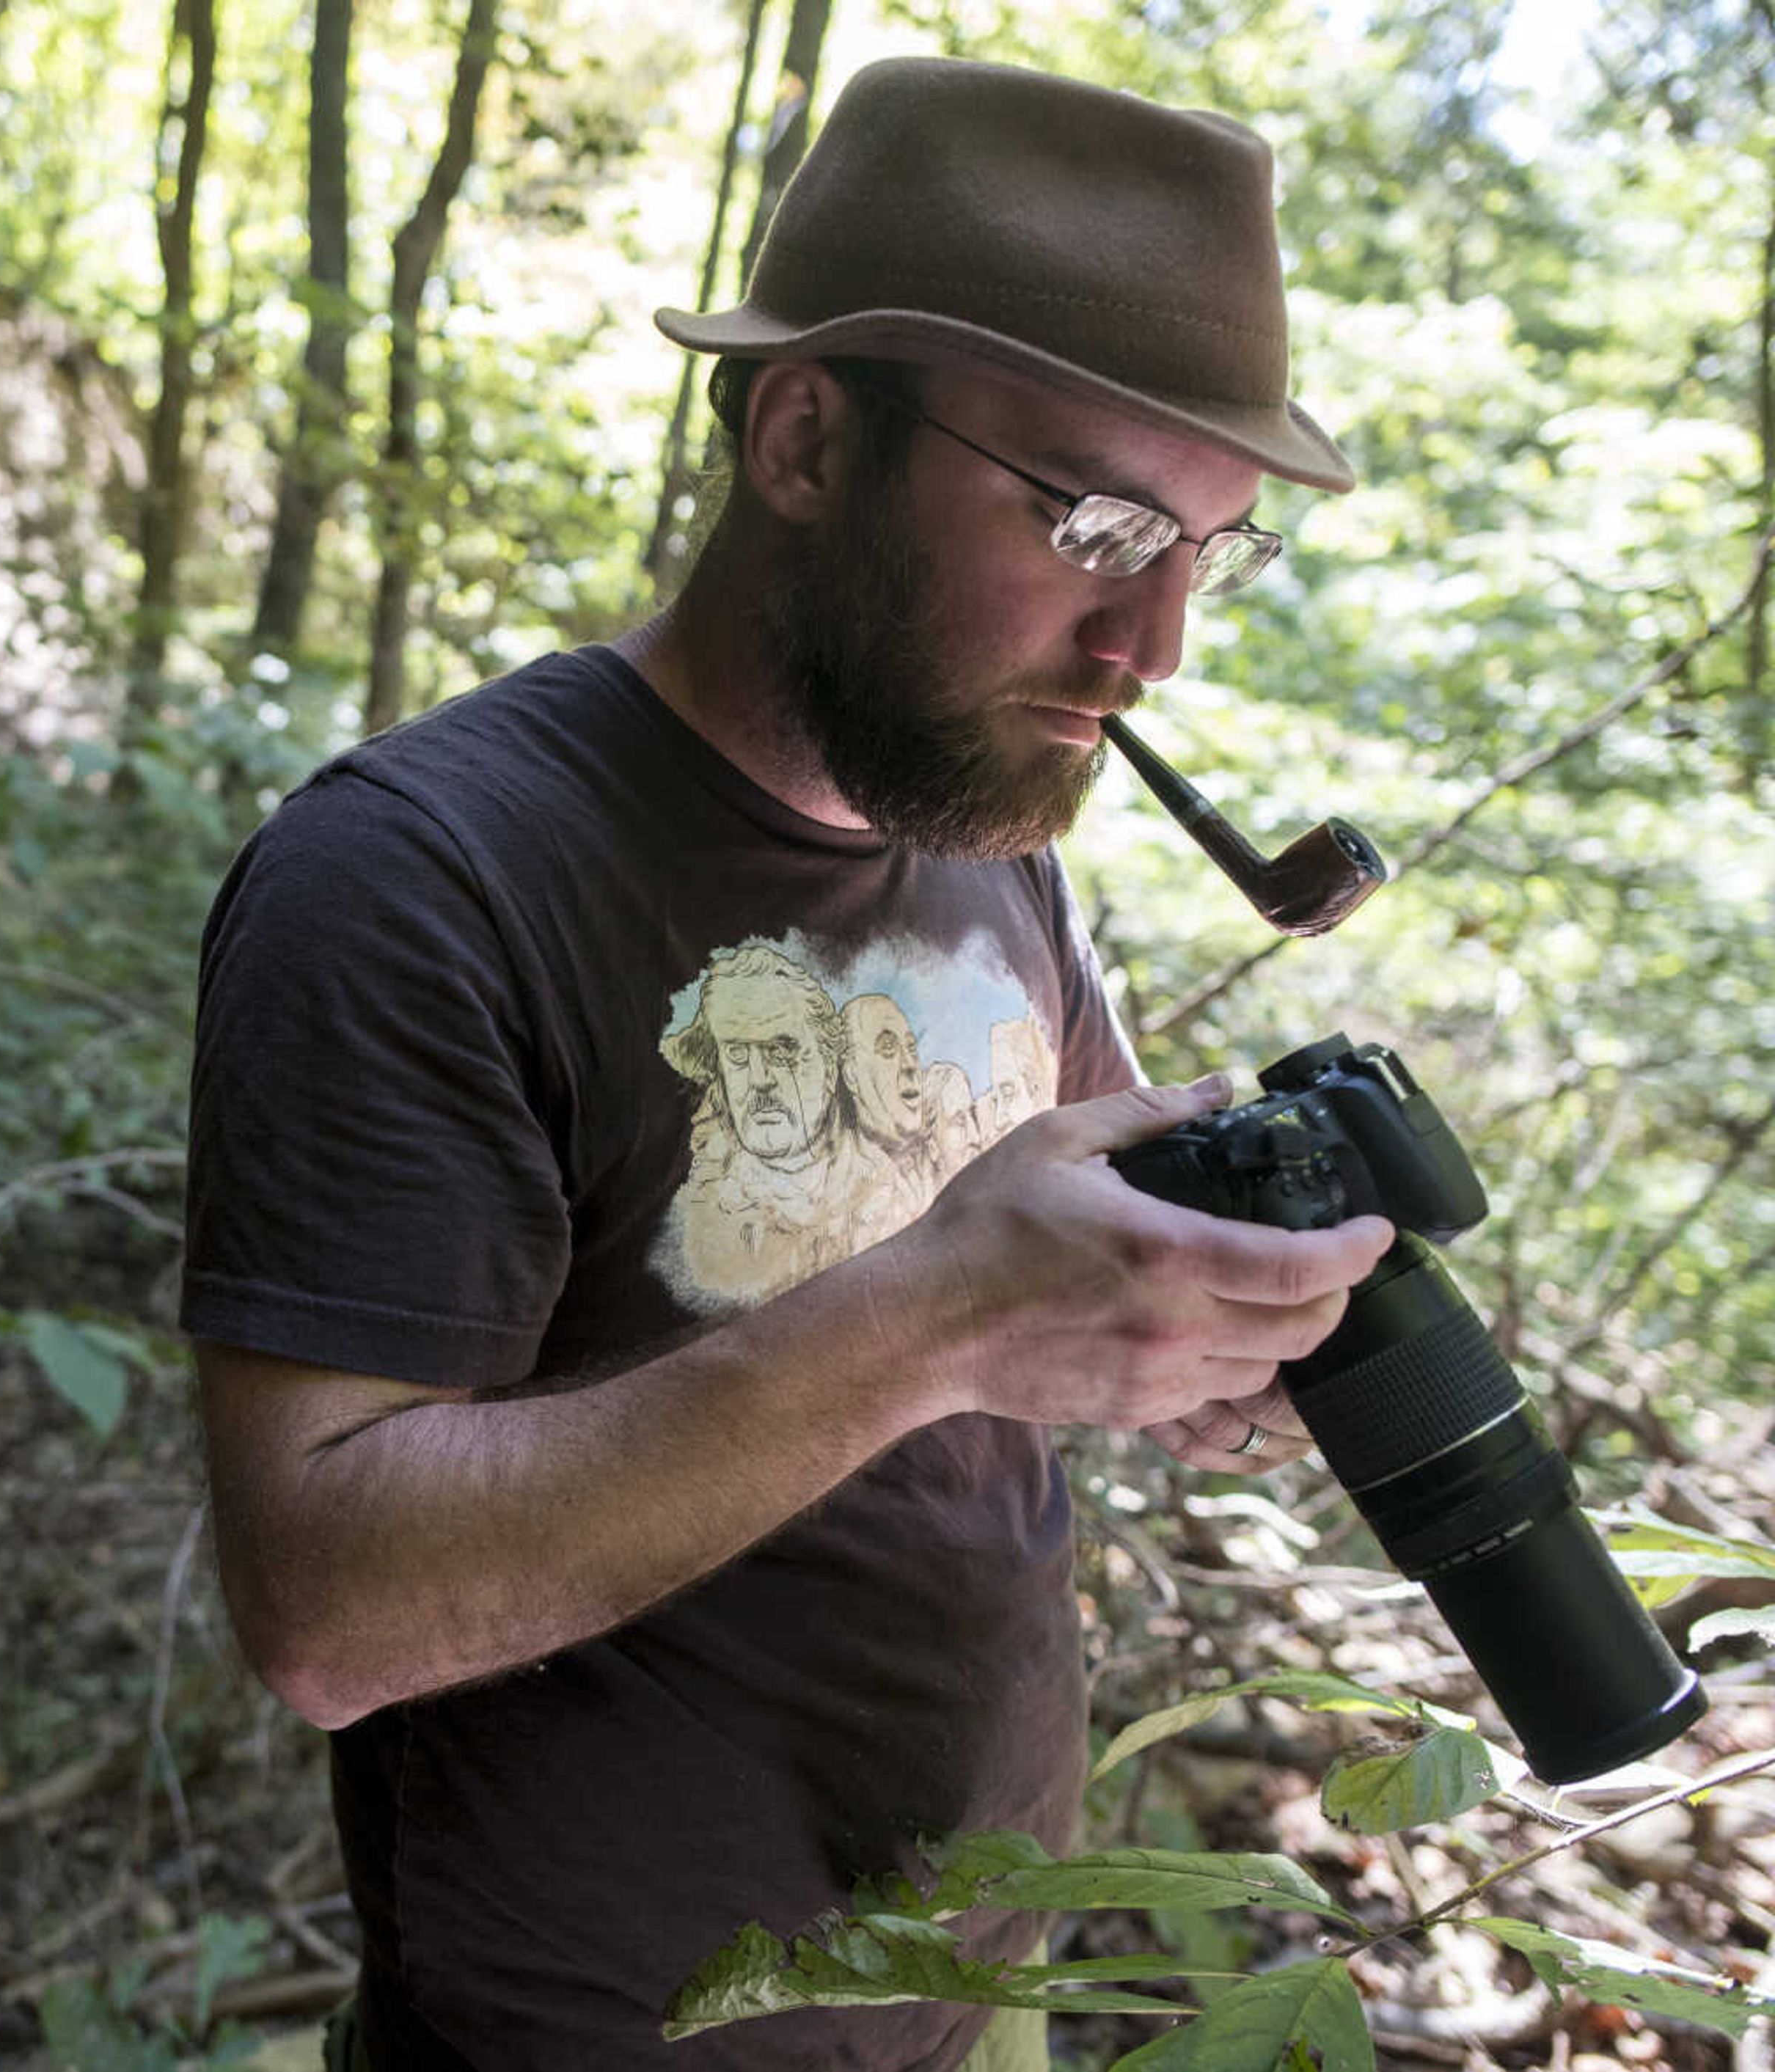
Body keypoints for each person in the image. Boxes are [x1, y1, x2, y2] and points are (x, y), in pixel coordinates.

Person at [181, 54, 1396, 2072]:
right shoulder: (417, 877)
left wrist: (1219, 1323)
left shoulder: (984, 820)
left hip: (976, 1997)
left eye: (1214, 545)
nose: (1157, 639)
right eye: (1098, 520)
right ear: (809, 439)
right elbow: (327, 1610)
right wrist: (938, 1317)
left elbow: (1064, 1264)